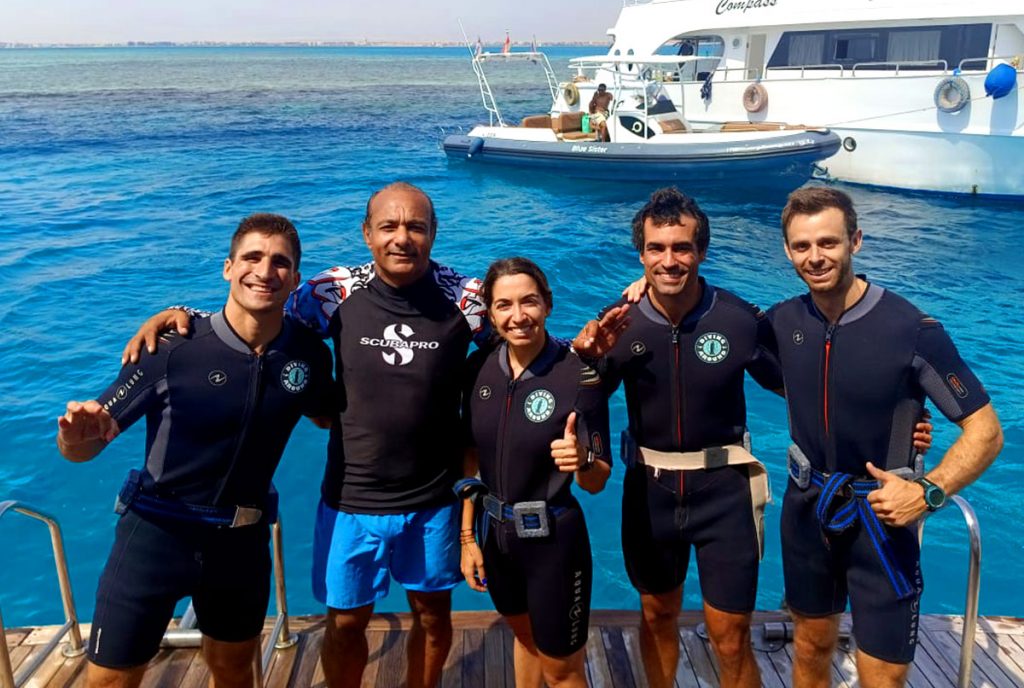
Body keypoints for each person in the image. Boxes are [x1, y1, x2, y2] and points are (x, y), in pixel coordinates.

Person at [123, 183, 487, 688]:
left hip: (433, 499)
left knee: (432, 617)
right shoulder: (332, 291)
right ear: (366, 233)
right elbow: (257, 314)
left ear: (433, 233)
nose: (401, 238)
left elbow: (527, 334)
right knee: (345, 623)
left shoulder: (468, 300)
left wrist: (609, 323)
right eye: (388, 226)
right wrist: (184, 314)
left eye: (416, 227)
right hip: (350, 497)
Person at [572, 187, 934, 688]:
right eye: (657, 249)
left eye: (682, 247)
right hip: (648, 493)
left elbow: (812, 384)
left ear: (701, 250)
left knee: (729, 634)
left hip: (725, 494)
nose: (670, 260)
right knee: (655, 618)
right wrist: (586, 364)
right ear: (641, 254)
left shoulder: (739, 320)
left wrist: (898, 421)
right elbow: (584, 395)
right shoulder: (619, 321)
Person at [58, 214, 335, 688]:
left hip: (240, 542)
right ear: (228, 268)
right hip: (154, 535)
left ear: (294, 278)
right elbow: (84, 446)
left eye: (280, 262)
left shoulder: (307, 355)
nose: (264, 271)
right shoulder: (171, 348)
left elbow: (331, 414)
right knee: (109, 680)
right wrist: (74, 437)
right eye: (251, 257)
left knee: (234, 672)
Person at [771, 186, 1003, 688]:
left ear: (856, 240)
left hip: (881, 520)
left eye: (829, 243)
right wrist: (645, 286)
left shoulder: (911, 330)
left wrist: (928, 491)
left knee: (885, 675)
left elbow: (985, 430)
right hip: (807, 509)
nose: (816, 257)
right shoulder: (783, 322)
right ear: (788, 251)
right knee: (810, 648)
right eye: (803, 246)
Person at [458, 258, 612, 688]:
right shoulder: (478, 370)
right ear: (490, 314)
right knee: (525, 642)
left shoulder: (579, 375)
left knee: (562, 671)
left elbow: (597, 480)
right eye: (504, 305)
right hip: (496, 537)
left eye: (529, 301)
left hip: (554, 543)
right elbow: (470, 458)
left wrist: (581, 458)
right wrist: (468, 538)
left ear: (547, 304)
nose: (518, 315)